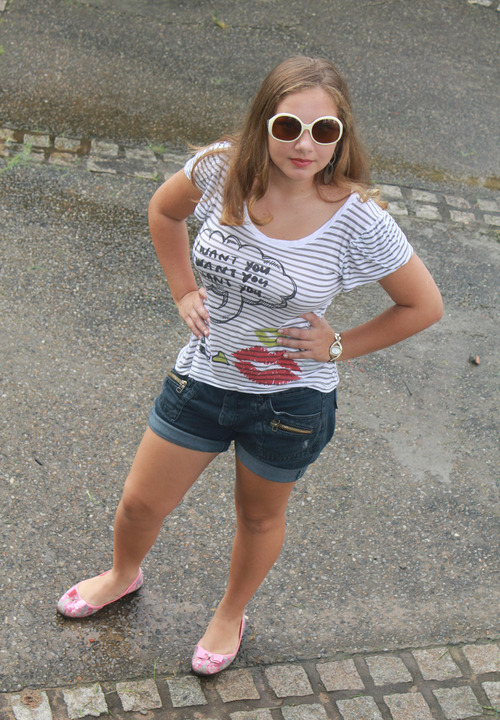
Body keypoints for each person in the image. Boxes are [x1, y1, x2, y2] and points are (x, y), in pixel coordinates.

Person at [57, 56, 443, 675]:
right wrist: (183, 290)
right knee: (139, 504)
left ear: (342, 135)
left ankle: (230, 613)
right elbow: (165, 211)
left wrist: (338, 346)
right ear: (264, 122)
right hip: (203, 379)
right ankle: (122, 574)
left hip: (289, 405)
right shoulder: (221, 170)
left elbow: (423, 305)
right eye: (289, 126)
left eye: (324, 131)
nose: (305, 145)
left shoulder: (358, 218)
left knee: (259, 518)